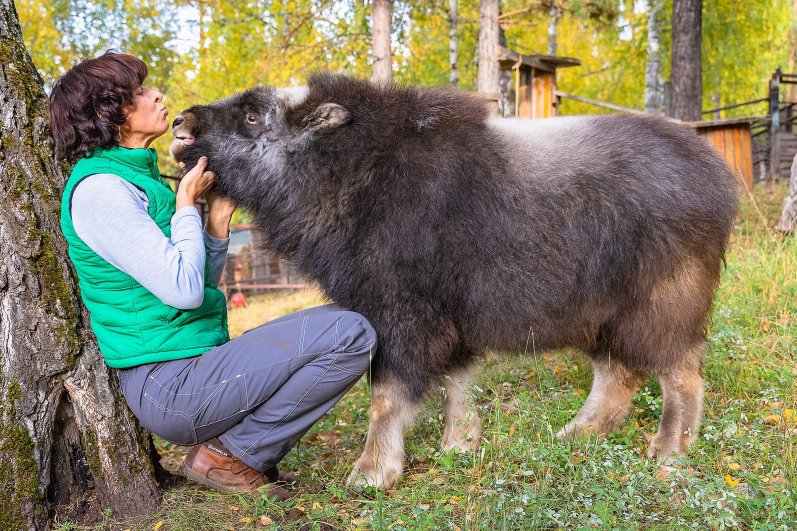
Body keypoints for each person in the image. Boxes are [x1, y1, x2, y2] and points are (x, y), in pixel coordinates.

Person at [49, 52, 376, 498]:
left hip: (192, 368)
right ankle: (230, 457)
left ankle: (231, 451)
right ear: (110, 114)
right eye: (139, 93)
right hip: (170, 385)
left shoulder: (133, 180)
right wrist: (185, 206)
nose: (156, 95)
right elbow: (183, 292)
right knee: (350, 332)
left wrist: (216, 220)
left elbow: (194, 284)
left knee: (342, 323)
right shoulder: (101, 192)